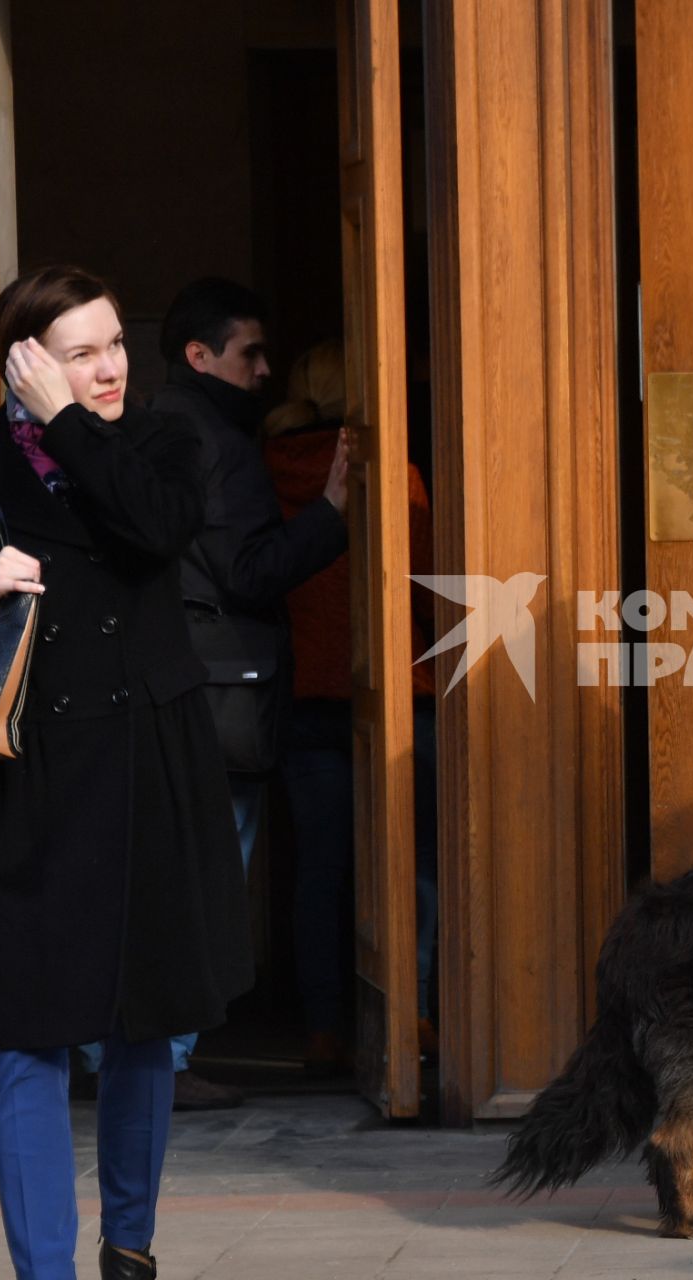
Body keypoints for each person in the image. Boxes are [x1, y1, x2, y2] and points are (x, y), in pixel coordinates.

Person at [0, 266, 252, 1280]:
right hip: (23, 792)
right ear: (24, 360)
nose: (110, 366)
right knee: (28, 1036)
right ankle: (45, 1271)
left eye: (116, 343)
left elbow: (156, 528)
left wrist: (69, 420)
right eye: (81, 352)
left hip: (148, 774)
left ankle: (130, 1247)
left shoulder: (163, 439)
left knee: (145, 1024)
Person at [128, 279, 349, 1110]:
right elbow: (249, 572)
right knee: (204, 881)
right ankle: (165, 1061)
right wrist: (330, 511)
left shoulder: (169, 425)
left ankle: (135, 1057)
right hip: (222, 696)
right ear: (200, 355)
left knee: (172, 874)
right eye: (250, 352)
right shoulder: (209, 440)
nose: (265, 372)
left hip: (191, 687)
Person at [262, 341, 441, 1072]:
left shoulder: (262, 474)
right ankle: (417, 1017)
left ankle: (324, 1031)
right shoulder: (393, 473)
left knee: (318, 870)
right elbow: (434, 588)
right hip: (400, 694)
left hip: (304, 698)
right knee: (418, 864)